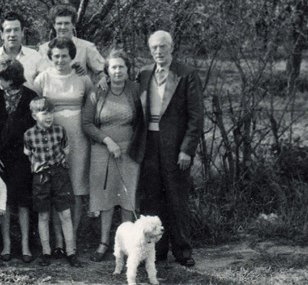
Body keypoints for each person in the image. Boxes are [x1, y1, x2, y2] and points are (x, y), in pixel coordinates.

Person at [137, 30, 204, 267]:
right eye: (154, 47)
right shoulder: (144, 73)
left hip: (175, 147)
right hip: (149, 144)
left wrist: (187, 149)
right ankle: (159, 250)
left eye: (163, 47)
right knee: (152, 199)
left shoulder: (186, 74)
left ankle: (183, 251)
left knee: (176, 199)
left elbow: (196, 117)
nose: (158, 52)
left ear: (171, 47)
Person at [82, 49, 144, 262]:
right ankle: (103, 242)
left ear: (128, 70)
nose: (117, 71)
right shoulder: (97, 91)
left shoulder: (135, 89)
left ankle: (126, 245)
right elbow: (87, 123)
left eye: (122, 67)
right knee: (107, 198)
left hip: (130, 150)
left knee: (127, 198)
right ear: (107, 70)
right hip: (102, 151)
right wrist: (107, 141)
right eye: (113, 67)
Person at [33, 38, 92, 243]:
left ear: (72, 56)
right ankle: (57, 240)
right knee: (54, 190)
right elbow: (36, 108)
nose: (60, 60)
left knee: (75, 189)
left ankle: (71, 238)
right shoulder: (42, 78)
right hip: (50, 142)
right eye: (56, 56)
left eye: (64, 55)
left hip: (78, 140)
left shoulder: (83, 79)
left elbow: (91, 108)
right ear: (50, 57)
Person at [0, 57, 37, 263]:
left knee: (23, 203)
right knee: (2, 202)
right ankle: (5, 244)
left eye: (2, 79)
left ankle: (24, 246)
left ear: (12, 78)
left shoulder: (31, 97)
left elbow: (35, 129)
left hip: (23, 159)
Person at [23, 97, 82, 267]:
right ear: (34, 116)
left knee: (65, 214)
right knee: (43, 215)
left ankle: (70, 251)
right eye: (44, 113)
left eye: (51, 113)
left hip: (59, 175)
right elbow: (28, 154)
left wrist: (59, 168)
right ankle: (46, 251)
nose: (49, 117)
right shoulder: (29, 134)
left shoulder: (60, 130)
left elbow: (66, 151)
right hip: (41, 177)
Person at [38, 4, 105, 84]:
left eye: (66, 23)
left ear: (73, 25)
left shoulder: (87, 47)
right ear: (54, 25)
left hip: (81, 93)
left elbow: (103, 72)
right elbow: (38, 76)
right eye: (59, 23)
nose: (63, 27)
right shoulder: (44, 49)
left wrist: (99, 82)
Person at [0, 11, 45, 90]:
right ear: (1, 34)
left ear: (22, 32)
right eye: (8, 30)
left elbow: (43, 88)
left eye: (16, 30)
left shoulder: (35, 57)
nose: (12, 34)